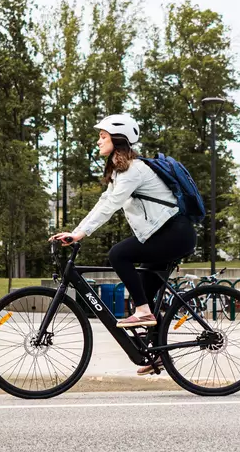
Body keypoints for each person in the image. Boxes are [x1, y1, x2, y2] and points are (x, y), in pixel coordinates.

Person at [50, 113, 197, 375]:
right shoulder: (122, 171)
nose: (98, 141)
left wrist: (80, 234)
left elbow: (110, 206)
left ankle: (144, 314)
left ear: (118, 140)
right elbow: (103, 202)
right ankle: (157, 354)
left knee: (118, 255)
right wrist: (76, 231)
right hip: (163, 235)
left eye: (102, 136)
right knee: (143, 295)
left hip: (175, 233)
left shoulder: (134, 170)